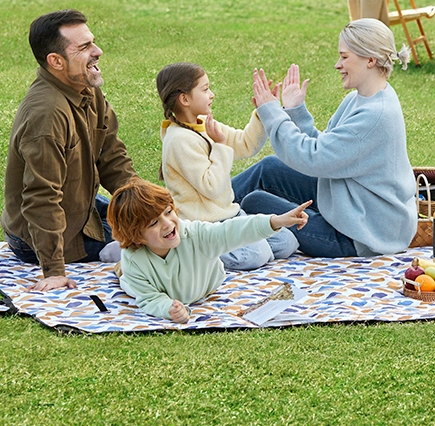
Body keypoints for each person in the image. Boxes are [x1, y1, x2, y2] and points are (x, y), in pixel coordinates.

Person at [232, 18, 418, 258]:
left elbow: (312, 158)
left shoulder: (375, 116)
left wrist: (273, 113)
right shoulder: (361, 99)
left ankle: (205, 230)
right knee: (268, 168)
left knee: (256, 203)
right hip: (351, 205)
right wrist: (296, 111)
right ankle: (203, 211)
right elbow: (327, 154)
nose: (337, 65)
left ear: (370, 60)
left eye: (344, 57)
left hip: (360, 235)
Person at [1, 9, 137, 292]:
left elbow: (112, 157)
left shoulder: (85, 88)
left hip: (81, 207)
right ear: (56, 61)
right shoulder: (47, 115)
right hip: (43, 240)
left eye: (93, 42)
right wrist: (54, 271)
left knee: (159, 224)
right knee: (161, 244)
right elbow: (41, 196)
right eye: (85, 47)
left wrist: (148, 207)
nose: (98, 51)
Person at [155, 62, 298, 269]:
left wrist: (262, 112)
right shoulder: (179, 140)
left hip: (230, 216)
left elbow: (245, 144)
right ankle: (192, 248)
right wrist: (220, 146)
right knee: (256, 255)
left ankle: (241, 244)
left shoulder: (203, 124)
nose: (211, 94)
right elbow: (211, 187)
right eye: (205, 89)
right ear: (184, 99)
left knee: (286, 243)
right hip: (205, 227)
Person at [108, 179, 310, 323]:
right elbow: (149, 299)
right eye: (154, 223)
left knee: (280, 244)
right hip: (143, 276)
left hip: (205, 286)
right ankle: (118, 264)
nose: (167, 223)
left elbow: (232, 231)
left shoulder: (195, 235)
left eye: (168, 212)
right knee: (128, 279)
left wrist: (276, 221)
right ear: (137, 237)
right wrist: (169, 309)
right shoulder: (134, 260)